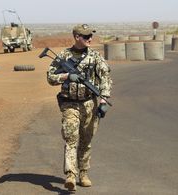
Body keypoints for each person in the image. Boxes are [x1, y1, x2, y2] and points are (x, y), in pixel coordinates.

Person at [47, 24, 112, 191]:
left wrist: (104, 101)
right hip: (69, 104)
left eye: (90, 36)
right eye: (85, 36)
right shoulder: (63, 56)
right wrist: (67, 76)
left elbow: (105, 78)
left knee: (86, 140)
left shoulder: (95, 57)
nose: (90, 38)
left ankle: (83, 173)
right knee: (71, 138)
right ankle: (71, 174)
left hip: (90, 103)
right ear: (76, 37)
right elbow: (50, 77)